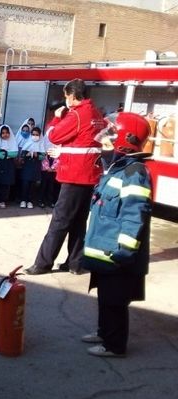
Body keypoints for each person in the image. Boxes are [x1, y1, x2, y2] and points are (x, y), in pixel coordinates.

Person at [79, 112, 152, 357]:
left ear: (124, 140)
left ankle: (115, 345)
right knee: (105, 295)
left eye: (110, 135)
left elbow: (134, 215)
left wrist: (124, 251)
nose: (104, 139)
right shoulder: (117, 168)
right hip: (104, 247)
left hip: (117, 252)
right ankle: (103, 332)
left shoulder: (135, 172)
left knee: (115, 300)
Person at [25, 78, 105, 275]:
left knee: (60, 221)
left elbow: (54, 136)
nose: (66, 100)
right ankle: (76, 263)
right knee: (78, 221)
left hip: (74, 175)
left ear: (72, 95)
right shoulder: (96, 113)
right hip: (89, 175)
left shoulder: (77, 115)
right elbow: (88, 142)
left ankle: (43, 264)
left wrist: (58, 117)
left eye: (66, 96)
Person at [19, 126, 46, 209]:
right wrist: (26, 155)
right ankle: (23, 200)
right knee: (25, 184)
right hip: (27, 167)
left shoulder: (41, 144)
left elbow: (43, 156)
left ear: (40, 135)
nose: (35, 136)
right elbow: (22, 155)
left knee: (33, 185)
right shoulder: (27, 143)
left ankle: (30, 201)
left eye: (37, 134)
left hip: (36, 167)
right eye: (33, 134)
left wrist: (37, 155)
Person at [0, 124, 17, 208]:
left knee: (6, 184)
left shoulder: (13, 141)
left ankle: (2, 200)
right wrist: (8, 154)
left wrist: (5, 153)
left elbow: (15, 153)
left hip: (9, 164)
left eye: (7, 133)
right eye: (3, 133)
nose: (5, 134)